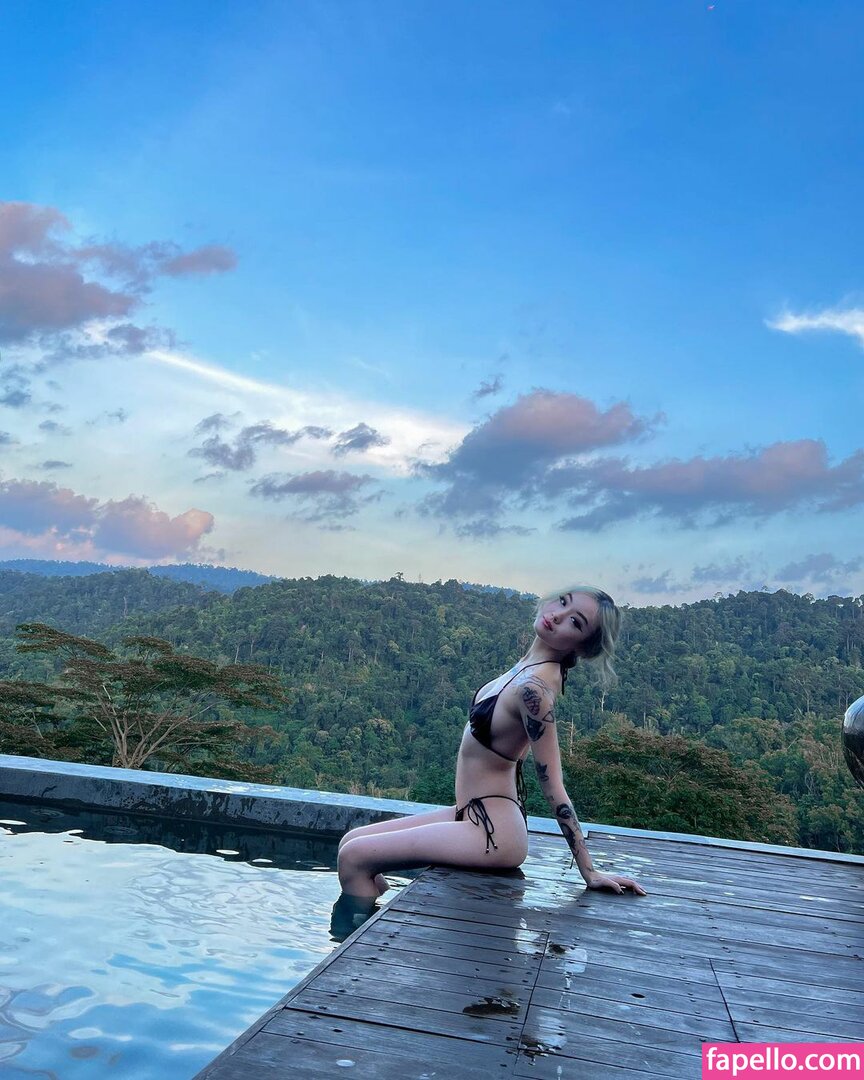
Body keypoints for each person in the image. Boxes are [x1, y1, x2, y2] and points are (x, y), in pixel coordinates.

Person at [331, 586, 646, 940]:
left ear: (583, 646)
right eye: (563, 602)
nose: (557, 616)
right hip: (470, 813)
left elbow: (553, 785)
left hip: (493, 832)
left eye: (575, 622)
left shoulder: (535, 689)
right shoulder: (526, 666)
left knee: (355, 858)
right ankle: (370, 925)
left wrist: (588, 871)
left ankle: (351, 947)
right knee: (351, 841)